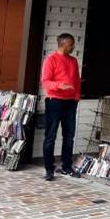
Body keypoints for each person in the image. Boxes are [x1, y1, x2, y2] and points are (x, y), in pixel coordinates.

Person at [40, 33, 81, 181]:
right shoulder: (51, 60)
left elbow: (77, 80)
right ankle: (49, 169)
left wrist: (76, 98)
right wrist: (59, 86)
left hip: (70, 103)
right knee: (50, 136)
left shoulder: (73, 61)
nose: (73, 47)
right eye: (71, 44)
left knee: (69, 136)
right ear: (64, 44)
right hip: (54, 101)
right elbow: (45, 82)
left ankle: (67, 167)